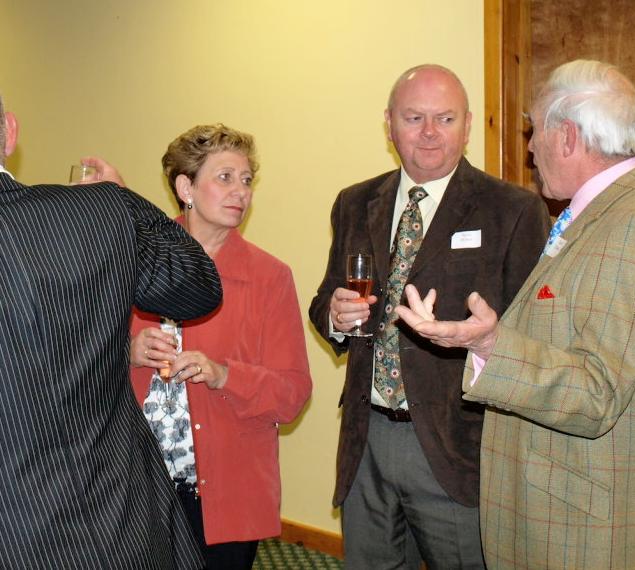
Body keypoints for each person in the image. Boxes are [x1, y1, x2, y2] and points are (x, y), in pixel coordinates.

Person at [396, 59, 635, 569]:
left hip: (600, 531)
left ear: (566, 136)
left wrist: (490, 347)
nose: (529, 147)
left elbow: (595, 393)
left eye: (534, 130)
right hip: (575, 511)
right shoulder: (603, 215)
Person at [309, 64, 549, 568]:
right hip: (366, 439)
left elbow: (532, 336)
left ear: (467, 125)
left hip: (456, 446)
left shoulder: (513, 210)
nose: (429, 133)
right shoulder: (355, 202)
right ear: (389, 124)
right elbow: (324, 298)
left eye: (445, 118)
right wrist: (334, 314)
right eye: (414, 117)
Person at [0, 96, 222, 569]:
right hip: (121, 515)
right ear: (10, 133)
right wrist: (125, 202)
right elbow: (198, 288)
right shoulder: (97, 213)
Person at [127, 124, 312, 570]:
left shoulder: (270, 277)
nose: (240, 192)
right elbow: (76, 351)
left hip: (226, 490)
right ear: (185, 187)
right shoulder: (132, 257)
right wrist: (128, 351)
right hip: (135, 485)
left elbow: (293, 393)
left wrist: (225, 374)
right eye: (225, 177)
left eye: (246, 180)